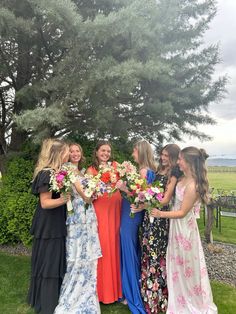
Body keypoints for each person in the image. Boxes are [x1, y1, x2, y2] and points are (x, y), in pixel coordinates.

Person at [152, 147, 217, 313]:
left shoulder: (193, 185)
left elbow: (182, 213)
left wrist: (160, 214)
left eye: (180, 159)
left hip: (185, 232)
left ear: (189, 162)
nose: (178, 161)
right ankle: (179, 297)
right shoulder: (181, 178)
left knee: (187, 267)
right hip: (176, 229)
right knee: (177, 265)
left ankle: (191, 301)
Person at [54, 143, 102, 313]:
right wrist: (94, 190)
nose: (75, 154)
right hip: (78, 218)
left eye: (77, 151)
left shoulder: (80, 171)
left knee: (87, 255)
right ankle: (75, 294)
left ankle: (87, 290)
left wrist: (93, 190)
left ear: (81, 154)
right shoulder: (68, 168)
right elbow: (86, 196)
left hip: (88, 217)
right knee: (77, 255)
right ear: (67, 154)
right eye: (72, 151)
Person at [135, 144, 181, 313]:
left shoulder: (174, 173)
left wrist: (147, 201)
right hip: (149, 216)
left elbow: (166, 199)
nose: (163, 158)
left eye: (167, 156)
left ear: (174, 157)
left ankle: (158, 300)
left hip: (160, 217)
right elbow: (151, 192)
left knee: (156, 255)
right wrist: (143, 200)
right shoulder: (158, 171)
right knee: (146, 252)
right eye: (162, 154)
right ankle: (147, 297)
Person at [28, 139, 70, 314]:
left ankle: (50, 298)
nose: (68, 154)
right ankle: (47, 303)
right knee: (49, 261)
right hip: (48, 224)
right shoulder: (46, 174)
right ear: (59, 154)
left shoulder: (57, 172)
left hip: (56, 221)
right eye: (66, 151)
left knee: (52, 259)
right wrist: (64, 199)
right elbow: (45, 203)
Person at [120, 140, 157, 314]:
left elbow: (140, 196)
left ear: (140, 151)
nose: (132, 153)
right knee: (131, 249)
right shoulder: (148, 170)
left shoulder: (143, 171)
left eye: (134, 150)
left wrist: (122, 187)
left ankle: (131, 294)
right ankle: (131, 290)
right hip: (133, 213)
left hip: (131, 214)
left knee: (129, 251)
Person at [87, 140, 122, 304]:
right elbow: (87, 194)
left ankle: (117, 290)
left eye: (108, 151)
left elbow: (126, 183)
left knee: (115, 246)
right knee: (103, 247)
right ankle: (103, 293)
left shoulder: (116, 166)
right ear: (96, 152)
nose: (106, 153)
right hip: (101, 211)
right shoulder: (91, 170)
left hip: (116, 210)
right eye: (103, 150)